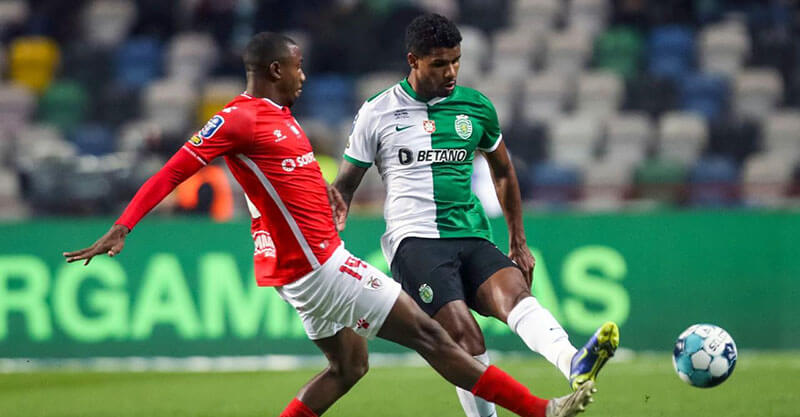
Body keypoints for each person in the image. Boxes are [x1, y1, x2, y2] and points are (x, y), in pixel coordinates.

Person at [63, 32, 596, 417]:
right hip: (321, 267)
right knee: (436, 337)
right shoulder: (239, 119)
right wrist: (124, 225)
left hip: (301, 273)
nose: (303, 75)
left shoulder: (282, 118)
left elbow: (291, 189)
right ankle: (542, 411)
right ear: (276, 69)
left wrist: (332, 199)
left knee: (349, 369)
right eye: (297, 67)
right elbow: (176, 169)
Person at [332, 14, 619, 417]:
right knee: (466, 337)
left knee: (516, 294)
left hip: (471, 233)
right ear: (413, 60)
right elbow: (345, 184)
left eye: (456, 61)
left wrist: (517, 241)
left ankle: (574, 362)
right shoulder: (377, 112)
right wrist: (334, 218)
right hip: (415, 243)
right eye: (439, 64)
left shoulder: (476, 107)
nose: (450, 72)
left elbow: (503, 171)